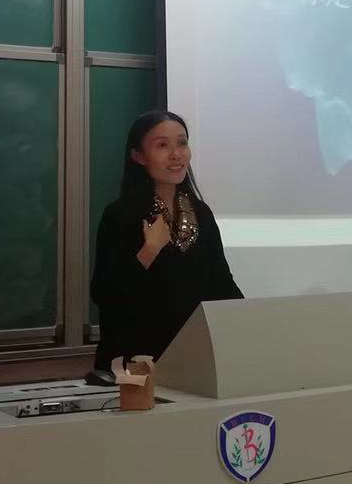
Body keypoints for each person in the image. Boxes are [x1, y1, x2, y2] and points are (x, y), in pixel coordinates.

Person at [89, 110, 243, 379]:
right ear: (138, 156)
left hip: (196, 356)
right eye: (162, 145)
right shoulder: (121, 215)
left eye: (182, 143)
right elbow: (105, 295)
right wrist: (149, 251)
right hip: (138, 363)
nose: (176, 154)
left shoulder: (200, 213)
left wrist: (248, 324)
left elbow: (222, 285)